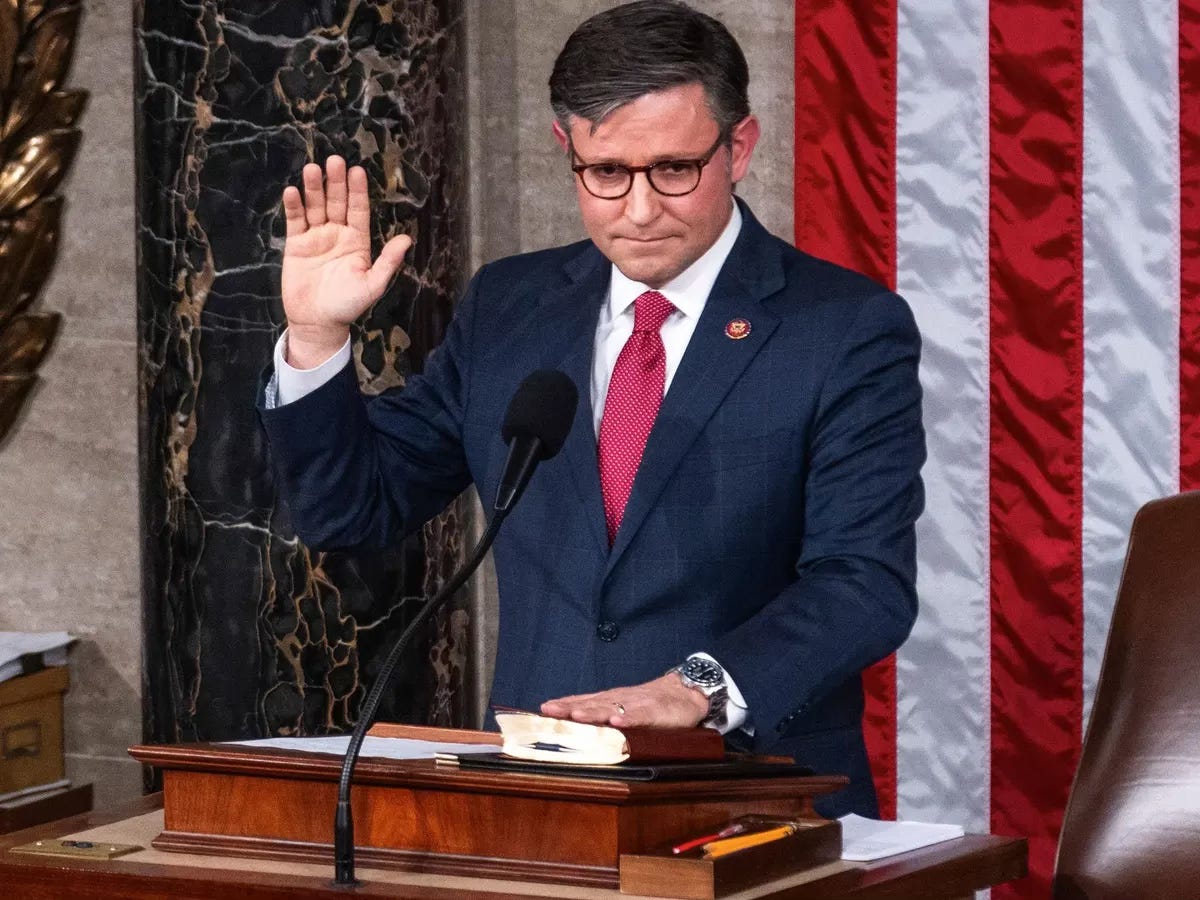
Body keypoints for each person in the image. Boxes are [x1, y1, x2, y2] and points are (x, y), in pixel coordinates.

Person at [260, 0, 924, 817]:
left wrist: (694, 688)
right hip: (538, 801)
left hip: (756, 798)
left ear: (740, 148)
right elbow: (351, 510)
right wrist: (316, 337)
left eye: (674, 169)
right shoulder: (510, 307)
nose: (639, 209)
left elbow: (864, 584)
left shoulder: (844, 327)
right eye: (606, 173)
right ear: (566, 149)